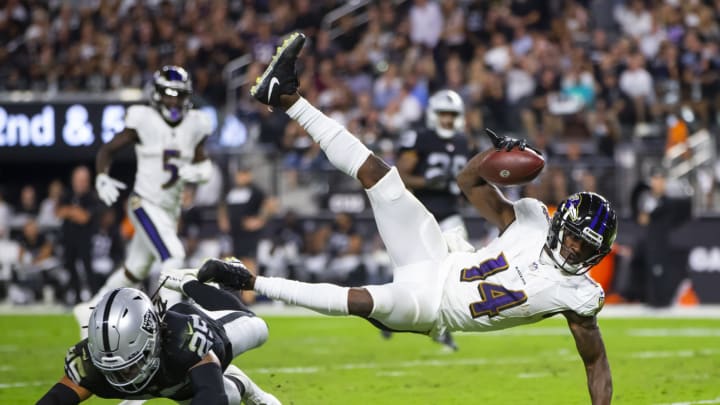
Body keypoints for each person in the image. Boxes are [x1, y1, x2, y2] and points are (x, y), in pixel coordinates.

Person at [198, 32, 617, 404]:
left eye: (587, 247)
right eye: (576, 237)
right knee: (383, 177)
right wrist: (493, 157)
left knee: (357, 300)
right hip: (436, 257)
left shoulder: (580, 295)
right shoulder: (528, 219)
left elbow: (595, 362)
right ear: (560, 221)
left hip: (432, 307)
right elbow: (468, 181)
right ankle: (286, 96)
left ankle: (250, 281)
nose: (576, 249)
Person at [74, 65, 214, 334]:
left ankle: (90, 308)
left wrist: (198, 172)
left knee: (136, 268)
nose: (173, 101)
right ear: (157, 94)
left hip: (169, 210)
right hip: (144, 202)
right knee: (174, 256)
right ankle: (167, 325)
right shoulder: (144, 119)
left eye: (179, 95)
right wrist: (102, 176)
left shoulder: (196, 124)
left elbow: (204, 164)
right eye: (168, 94)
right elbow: (108, 149)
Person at [37, 277, 280, 404]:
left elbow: (211, 395)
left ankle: (191, 284)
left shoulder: (184, 341)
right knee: (230, 397)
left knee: (259, 327)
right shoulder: (89, 364)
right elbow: (55, 400)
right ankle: (241, 383)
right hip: (175, 380)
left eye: (131, 365)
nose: (125, 376)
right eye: (115, 370)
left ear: (152, 339)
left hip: (213, 340)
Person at [396, 89, 473, 239]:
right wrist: (426, 182)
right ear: (433, 114)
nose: (448, 119)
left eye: (452, 114)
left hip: (450, 212)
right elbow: (399, 176)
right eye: (443, 114)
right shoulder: (420, 138)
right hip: (420, 210)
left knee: (459, 253)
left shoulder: (464, 142)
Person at [57, 166, 99, 303]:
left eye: (84, 180)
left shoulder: (92, 196)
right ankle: (76, 297)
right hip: (68, 238)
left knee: (88, 269)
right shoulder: (67, 194)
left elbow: (84, 217)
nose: (81, 183)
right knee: (70, 267)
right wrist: (74, 211)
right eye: (78, 180)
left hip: (85, 240)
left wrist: (70, 212)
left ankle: (94, 298)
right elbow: (58, 212)